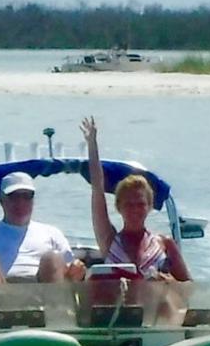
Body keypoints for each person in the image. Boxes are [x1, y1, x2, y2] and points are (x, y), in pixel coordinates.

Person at [81, 116, 190, 282]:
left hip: (157, 299)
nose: (135, 209)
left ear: (149, 206)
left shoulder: (165, 244)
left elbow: (189, 287)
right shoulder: (109, 240)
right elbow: (97, 189)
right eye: (129, 204)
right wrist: (92, 144)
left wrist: (169, 282)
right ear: (119, 207)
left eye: (140, 204)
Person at [0, 171, 80, 284]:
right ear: (1, 201)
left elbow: (71, 267)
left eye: (27, 196)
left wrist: (76, 271)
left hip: (45, 291)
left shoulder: (51, 233)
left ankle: (55, 301)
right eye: (13, 197)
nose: (20, 203)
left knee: (53, 257)